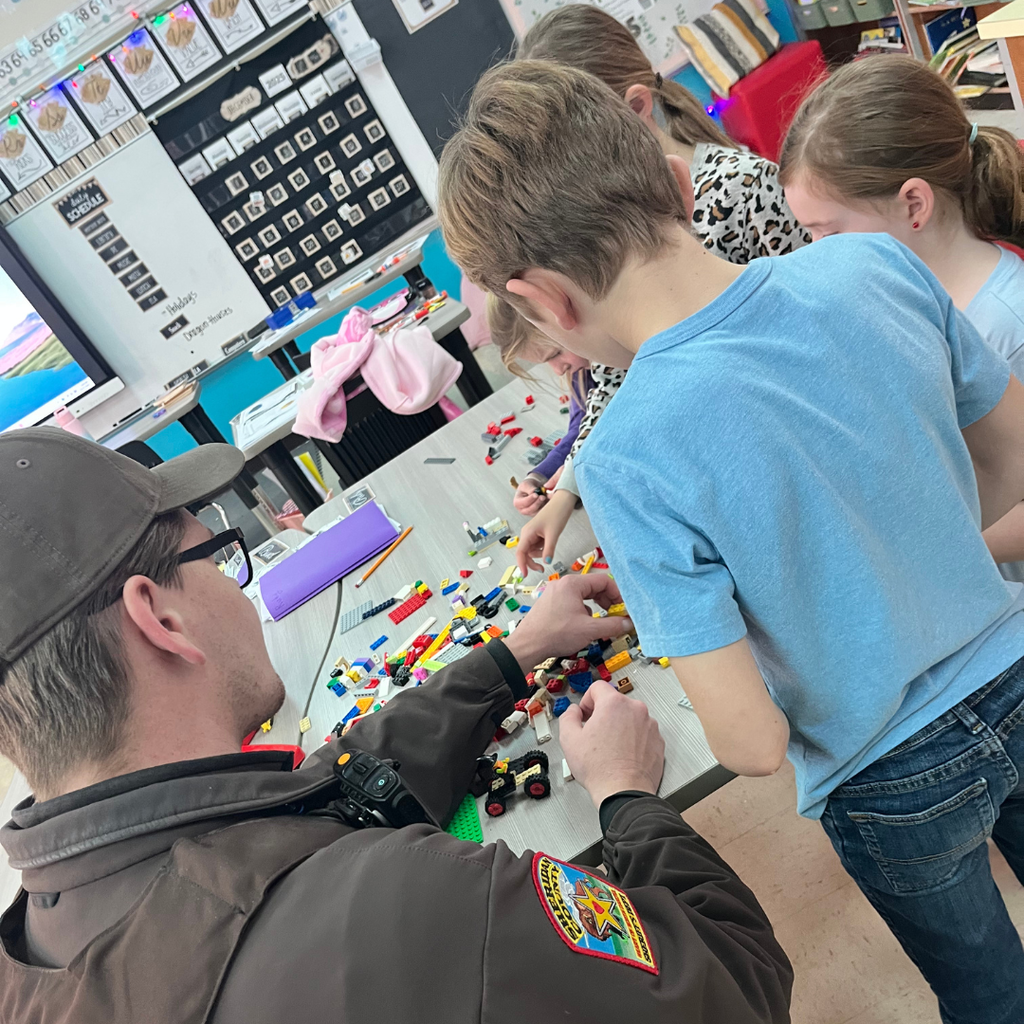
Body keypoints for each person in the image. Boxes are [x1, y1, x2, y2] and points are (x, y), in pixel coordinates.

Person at [437, 59, 1024, 1024]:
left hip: (887, 776)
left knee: (990, 992)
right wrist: (893, 545)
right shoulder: (872, 262)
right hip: (1011, 661)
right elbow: (1007, 461)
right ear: (677, 182)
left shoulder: (624, 459)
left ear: (540, 301)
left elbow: (751, 743)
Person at [0, 428, 792, 1023]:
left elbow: (316, 799)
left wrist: (512, 658)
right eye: (218, 555)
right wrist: (627, 798)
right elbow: (740, 981)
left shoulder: (38, 963)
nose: (236, 587)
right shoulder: (423, 906)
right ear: (160, 618)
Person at [511, 3, 810, 565]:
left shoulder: (743, 189)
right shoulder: (608, 226)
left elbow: (811, 326)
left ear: (637, 109)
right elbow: (611, 377)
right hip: (710, 486)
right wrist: (570, 488)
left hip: (782, 468)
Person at [778, 54, 1024, 582]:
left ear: (914, 203)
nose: (815, 253)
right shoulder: (895, 299)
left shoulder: (1008, 320)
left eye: (830, 232)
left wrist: (937, 560)